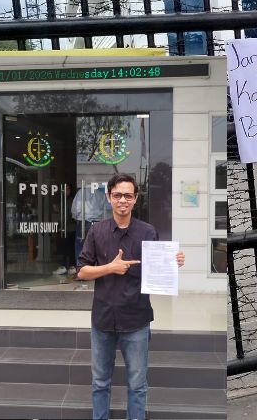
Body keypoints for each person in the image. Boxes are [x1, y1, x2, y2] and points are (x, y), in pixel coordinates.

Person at [77, 173, 186, 419]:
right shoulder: (96, 231)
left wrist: (172, 263)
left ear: (136, 198)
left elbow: (156, 269)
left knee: (137, 385)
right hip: (103, 319)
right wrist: (110, 267)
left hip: (136, 318)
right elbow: (82, 272)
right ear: (109, 197)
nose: (122, 200)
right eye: (117, 195)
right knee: (100, 382)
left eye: (128, 195)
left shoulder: (147, 231)